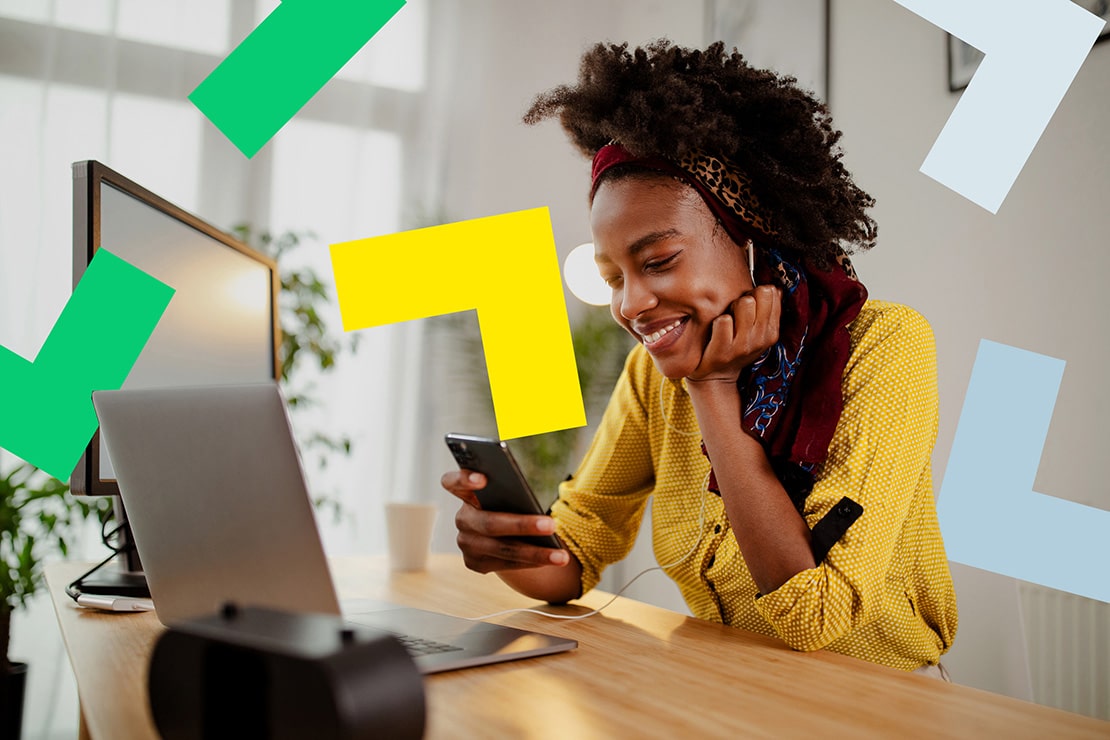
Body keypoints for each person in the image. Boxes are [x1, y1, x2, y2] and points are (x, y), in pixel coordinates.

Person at [441, 40, 957, 675]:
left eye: (658, 262)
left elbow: (814, 616)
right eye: (613, 279)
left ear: (753, 240)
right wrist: (511, 547)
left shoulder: (881, 347)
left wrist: (714, 388)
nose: (632, 305)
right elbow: (577, 551)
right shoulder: (651, 376)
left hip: (880, 703)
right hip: (731, 690)